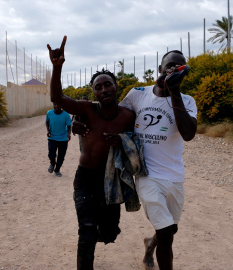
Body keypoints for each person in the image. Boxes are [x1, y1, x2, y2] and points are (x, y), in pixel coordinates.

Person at [72, 50, 197, 270]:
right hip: (146, 174)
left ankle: (151, 245)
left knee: (170, 229)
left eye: (178, 68)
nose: (172, 71)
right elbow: (109, 108)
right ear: (160, 69)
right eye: (169, 66)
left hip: (174, 175)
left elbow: (188, 134)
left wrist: (174, 91)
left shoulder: (187, 101)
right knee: (166, 233)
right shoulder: (138, 94)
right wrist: (79, 116)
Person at [47, 36, 136, 270]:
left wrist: (123, 141)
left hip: (112, 180)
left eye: (108, 84)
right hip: (86, 179)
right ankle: (87, 239)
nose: (104, 89)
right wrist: (57, 68)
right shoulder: (87, 109)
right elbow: (58, 98)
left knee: (109, 233)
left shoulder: (128, 116)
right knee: (86, 232)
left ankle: (95, 233)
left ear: (116, 86)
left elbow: (139, 144)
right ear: (93, 93)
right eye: (98, 87)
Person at [46, 102, 71, 177]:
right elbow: (47, 122)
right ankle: (52, 163)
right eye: (55, 104)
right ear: (53, 105)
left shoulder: (66, 115)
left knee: (61, 156)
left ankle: (57, 170)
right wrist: (48, 131)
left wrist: (68, 134)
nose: (57, 106)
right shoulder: (49, 113)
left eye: (58, 104)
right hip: (52, 137)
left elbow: (69, 126)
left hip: (63, 138)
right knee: (51, 153)